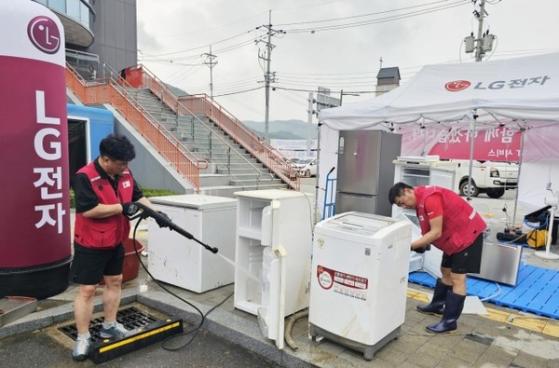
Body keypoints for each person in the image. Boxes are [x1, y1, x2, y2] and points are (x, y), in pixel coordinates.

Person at [70, 134, 157, 360]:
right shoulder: (84, 177)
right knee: (87, 290)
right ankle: (82, 337)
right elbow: (88, 210)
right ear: (106, 159)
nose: (126, 167)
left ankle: (110, 324)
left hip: (116, 240)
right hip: (90, 242)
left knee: (115, 281)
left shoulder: (124, 172)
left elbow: (138, 196)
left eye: (127, 163)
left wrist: (156, 213)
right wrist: (121, 207)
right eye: (121, 163)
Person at [388, 182, 485, 334]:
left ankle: (449, 321)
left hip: (467, 235)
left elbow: (436, 232)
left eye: (402, 202)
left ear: (407, 191)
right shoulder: (420, 199)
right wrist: (421, 243)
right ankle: (438, 305)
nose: (404, 206)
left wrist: (411, 246)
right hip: (453, 238)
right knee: (445, 270)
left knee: (457, 278)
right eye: (400, 206)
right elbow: (429, 230)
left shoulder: (429, 198)